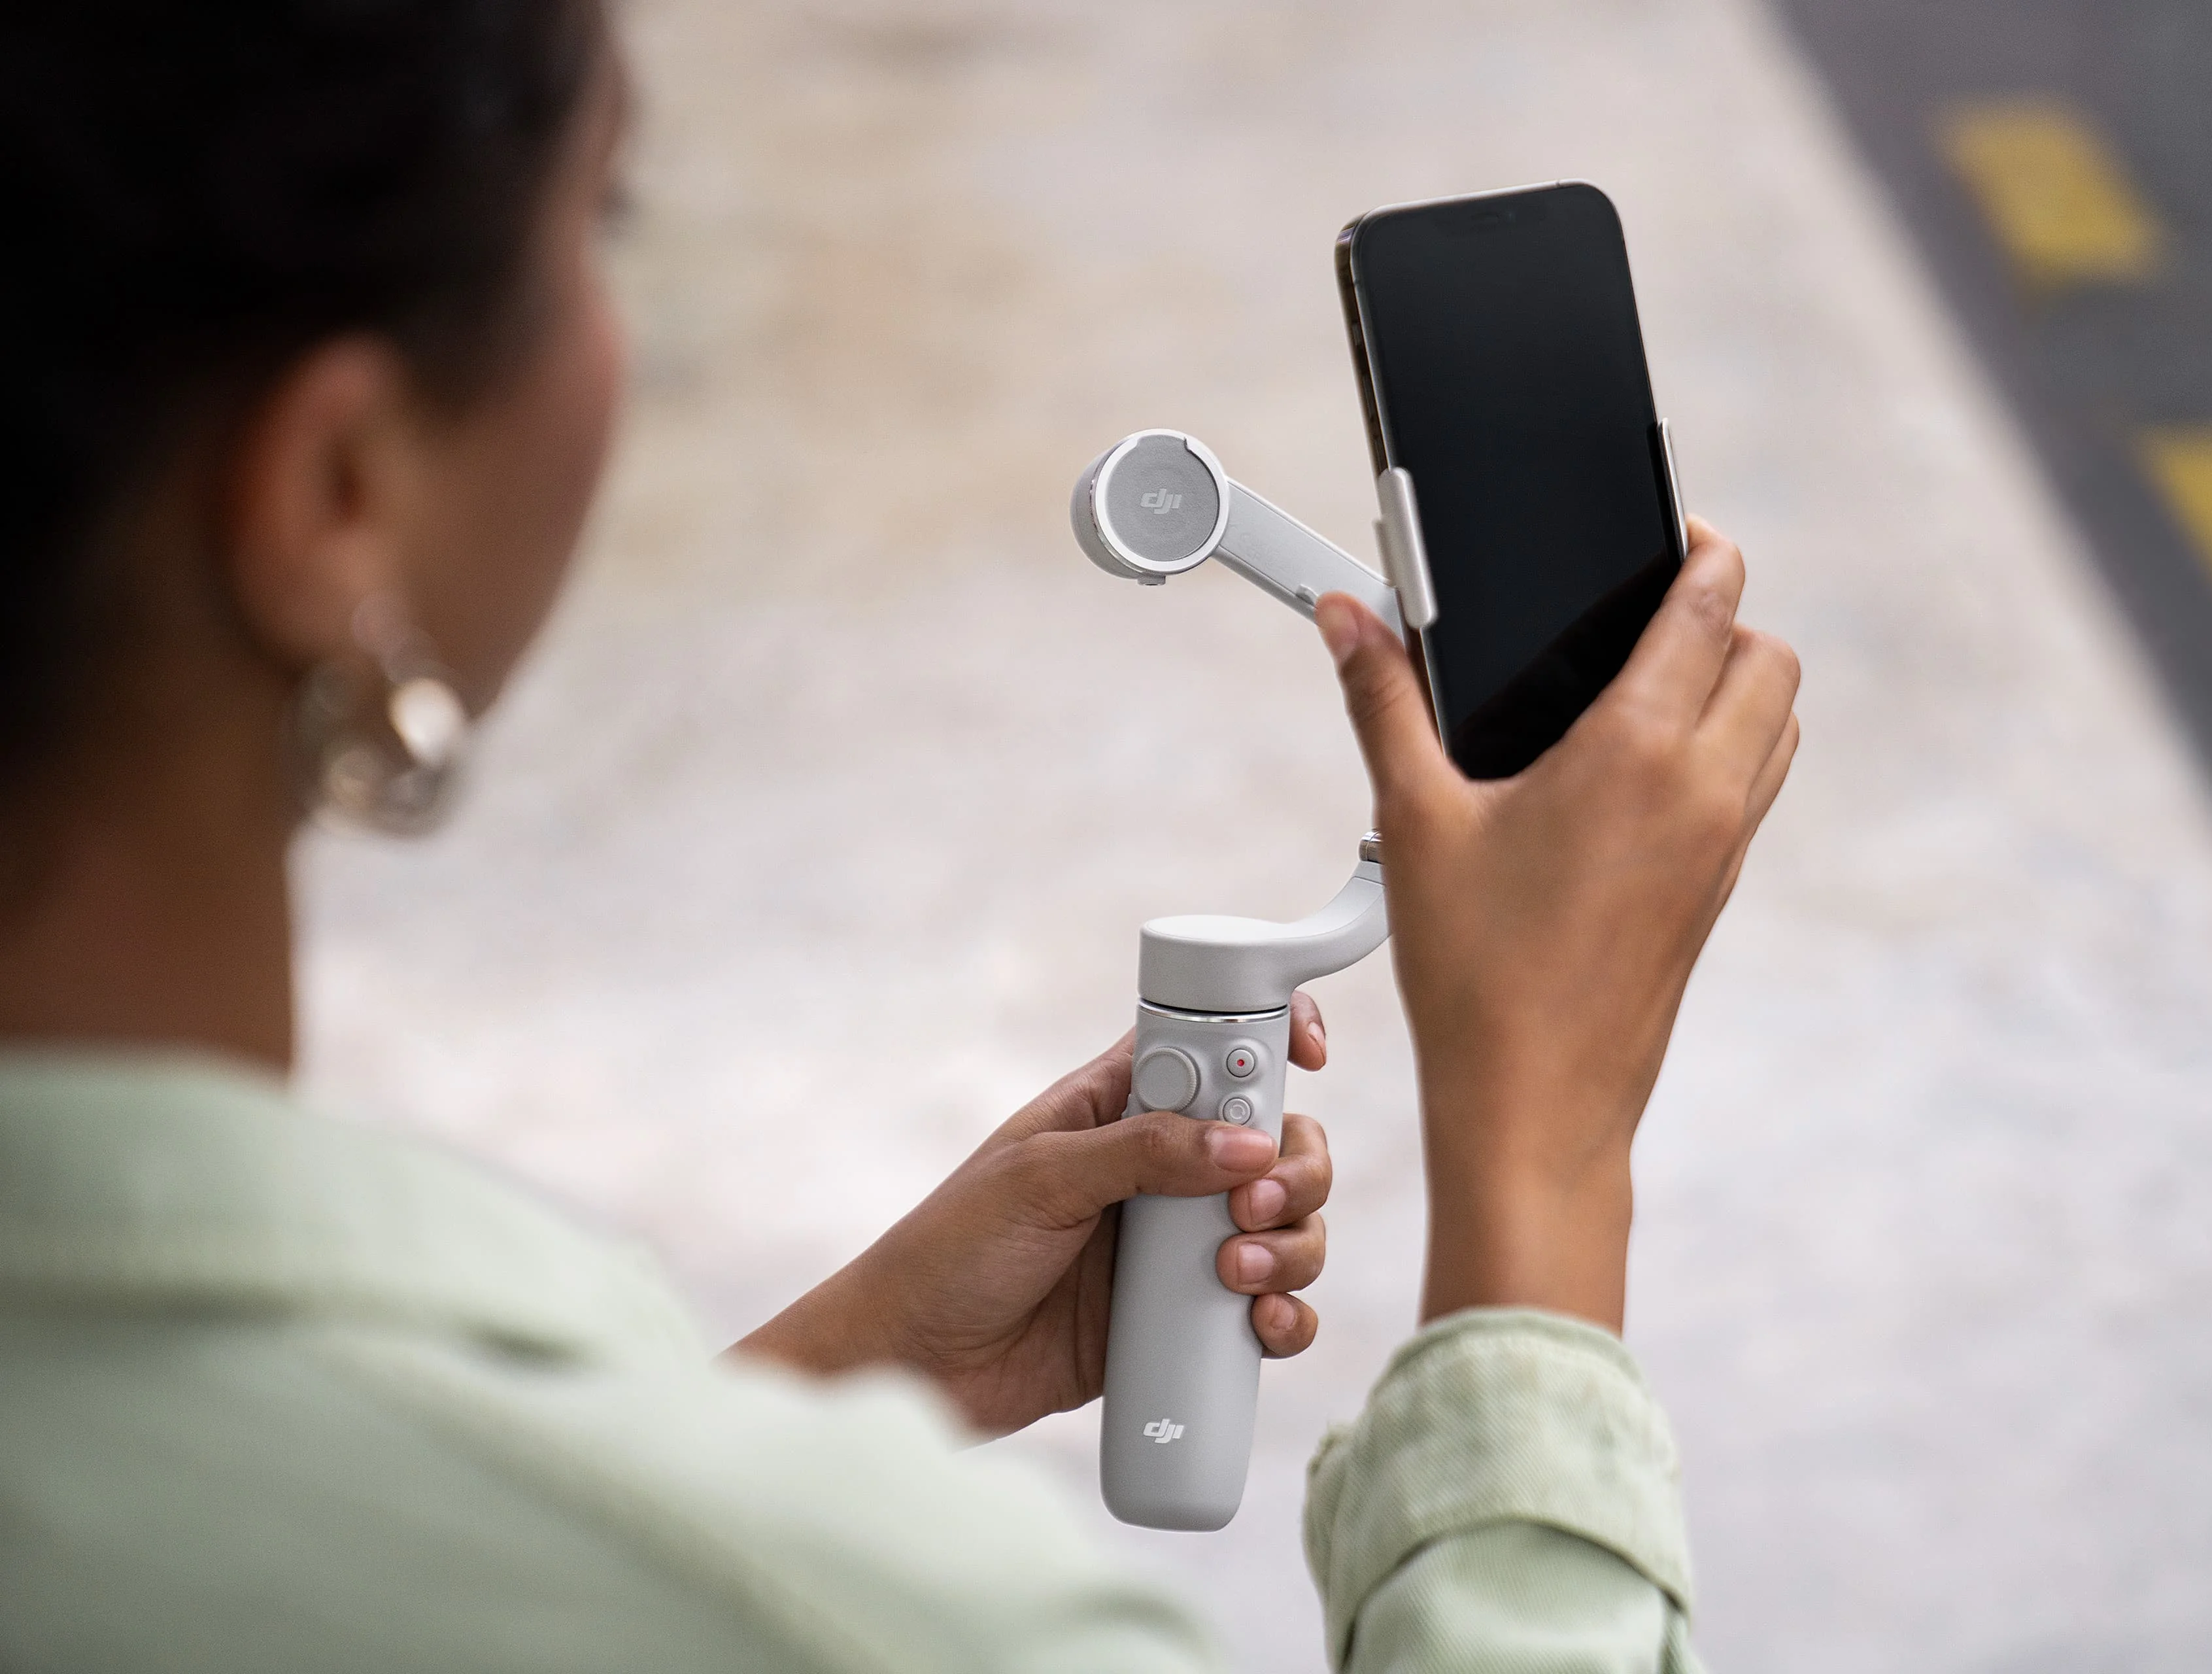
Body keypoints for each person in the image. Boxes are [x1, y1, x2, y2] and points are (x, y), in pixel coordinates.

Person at [0, 1, 1803, 1668]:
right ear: (339, 489)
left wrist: (840, 1378)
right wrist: (1546, 1151)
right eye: (605, 220)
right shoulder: (900, 1629)